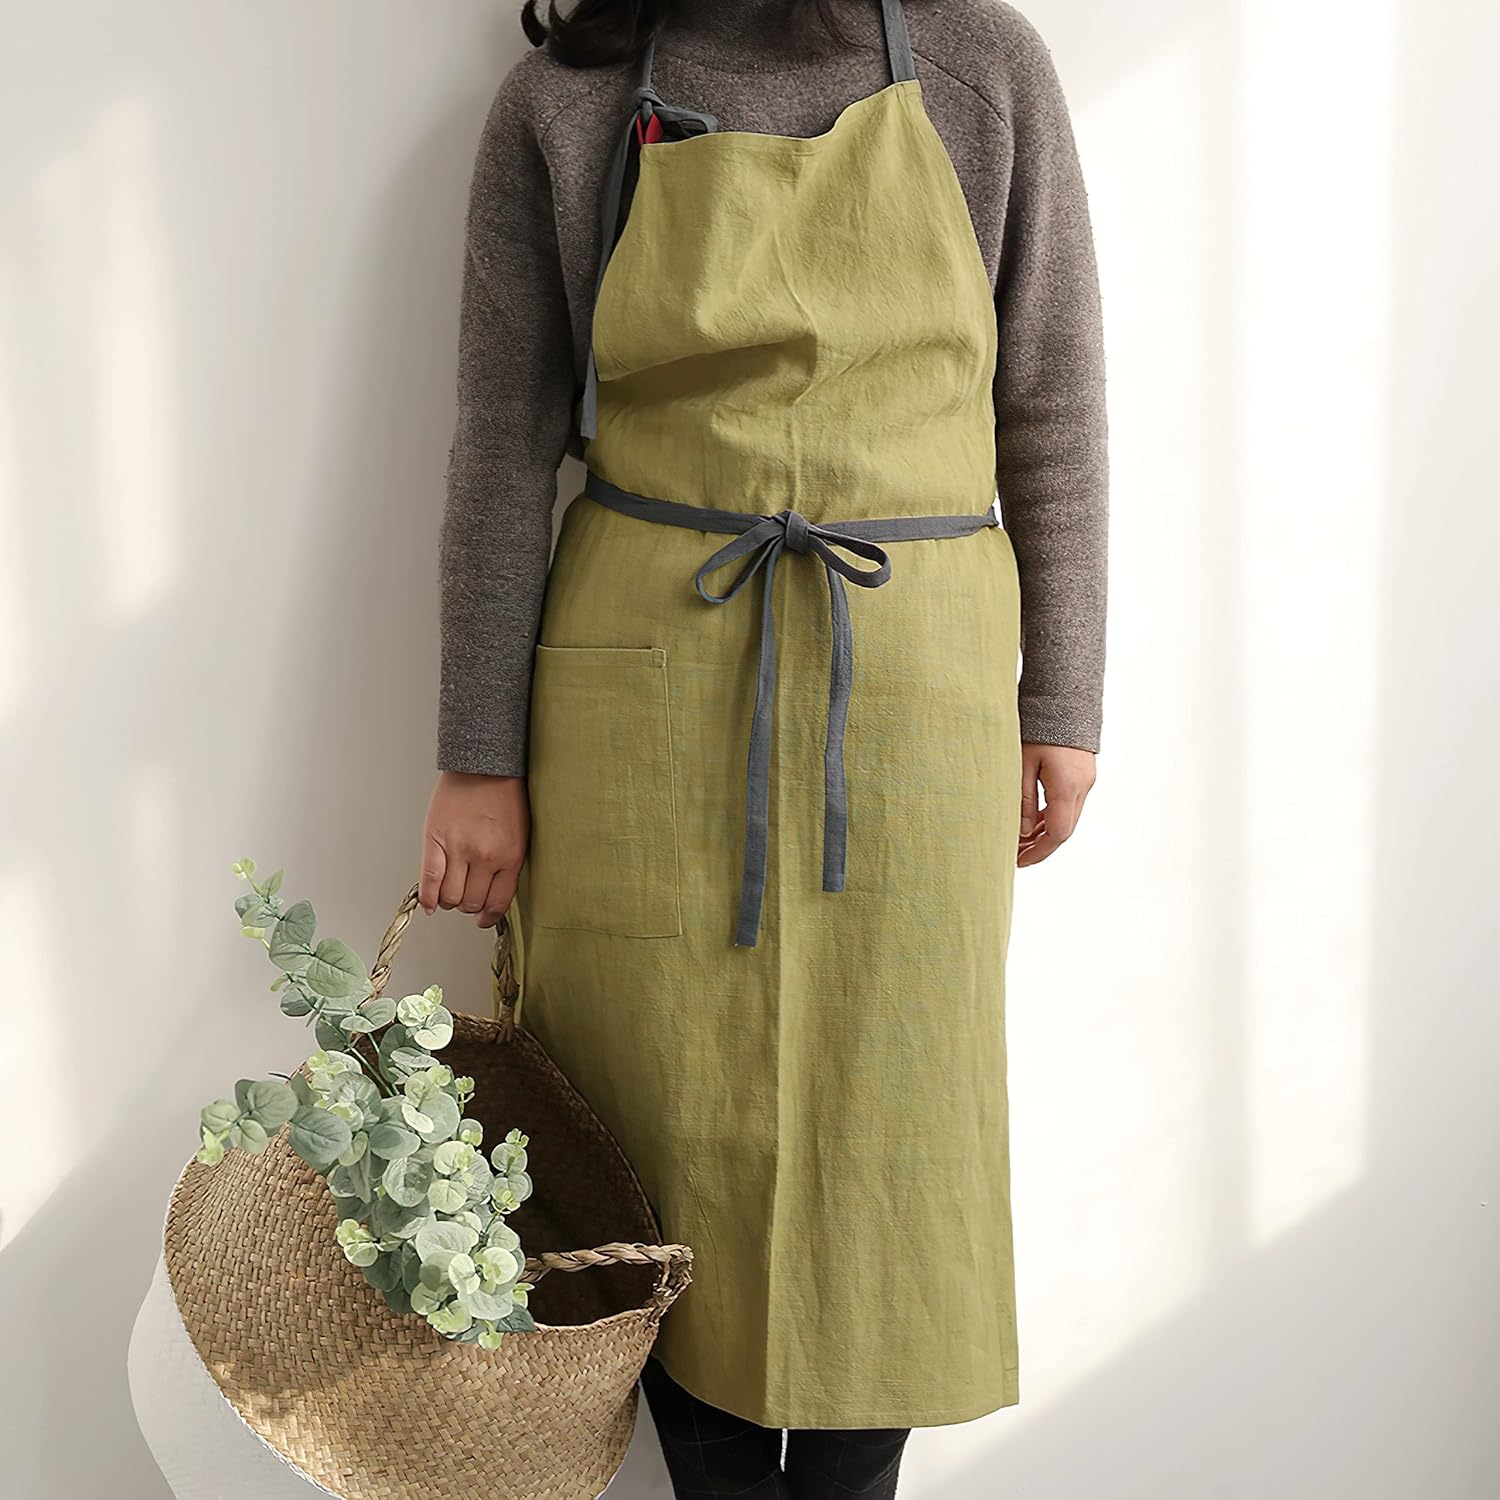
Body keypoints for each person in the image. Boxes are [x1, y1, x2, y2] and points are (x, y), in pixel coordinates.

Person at [419, 0, 1107, 1493]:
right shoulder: (565, 102)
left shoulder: (986, 69)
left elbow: (1049, 401)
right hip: (641, 699)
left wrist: (1065, 697)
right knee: (652, 1132)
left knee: (893, 1117)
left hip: (913, 694)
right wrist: (478, 753)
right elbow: (503, 442)